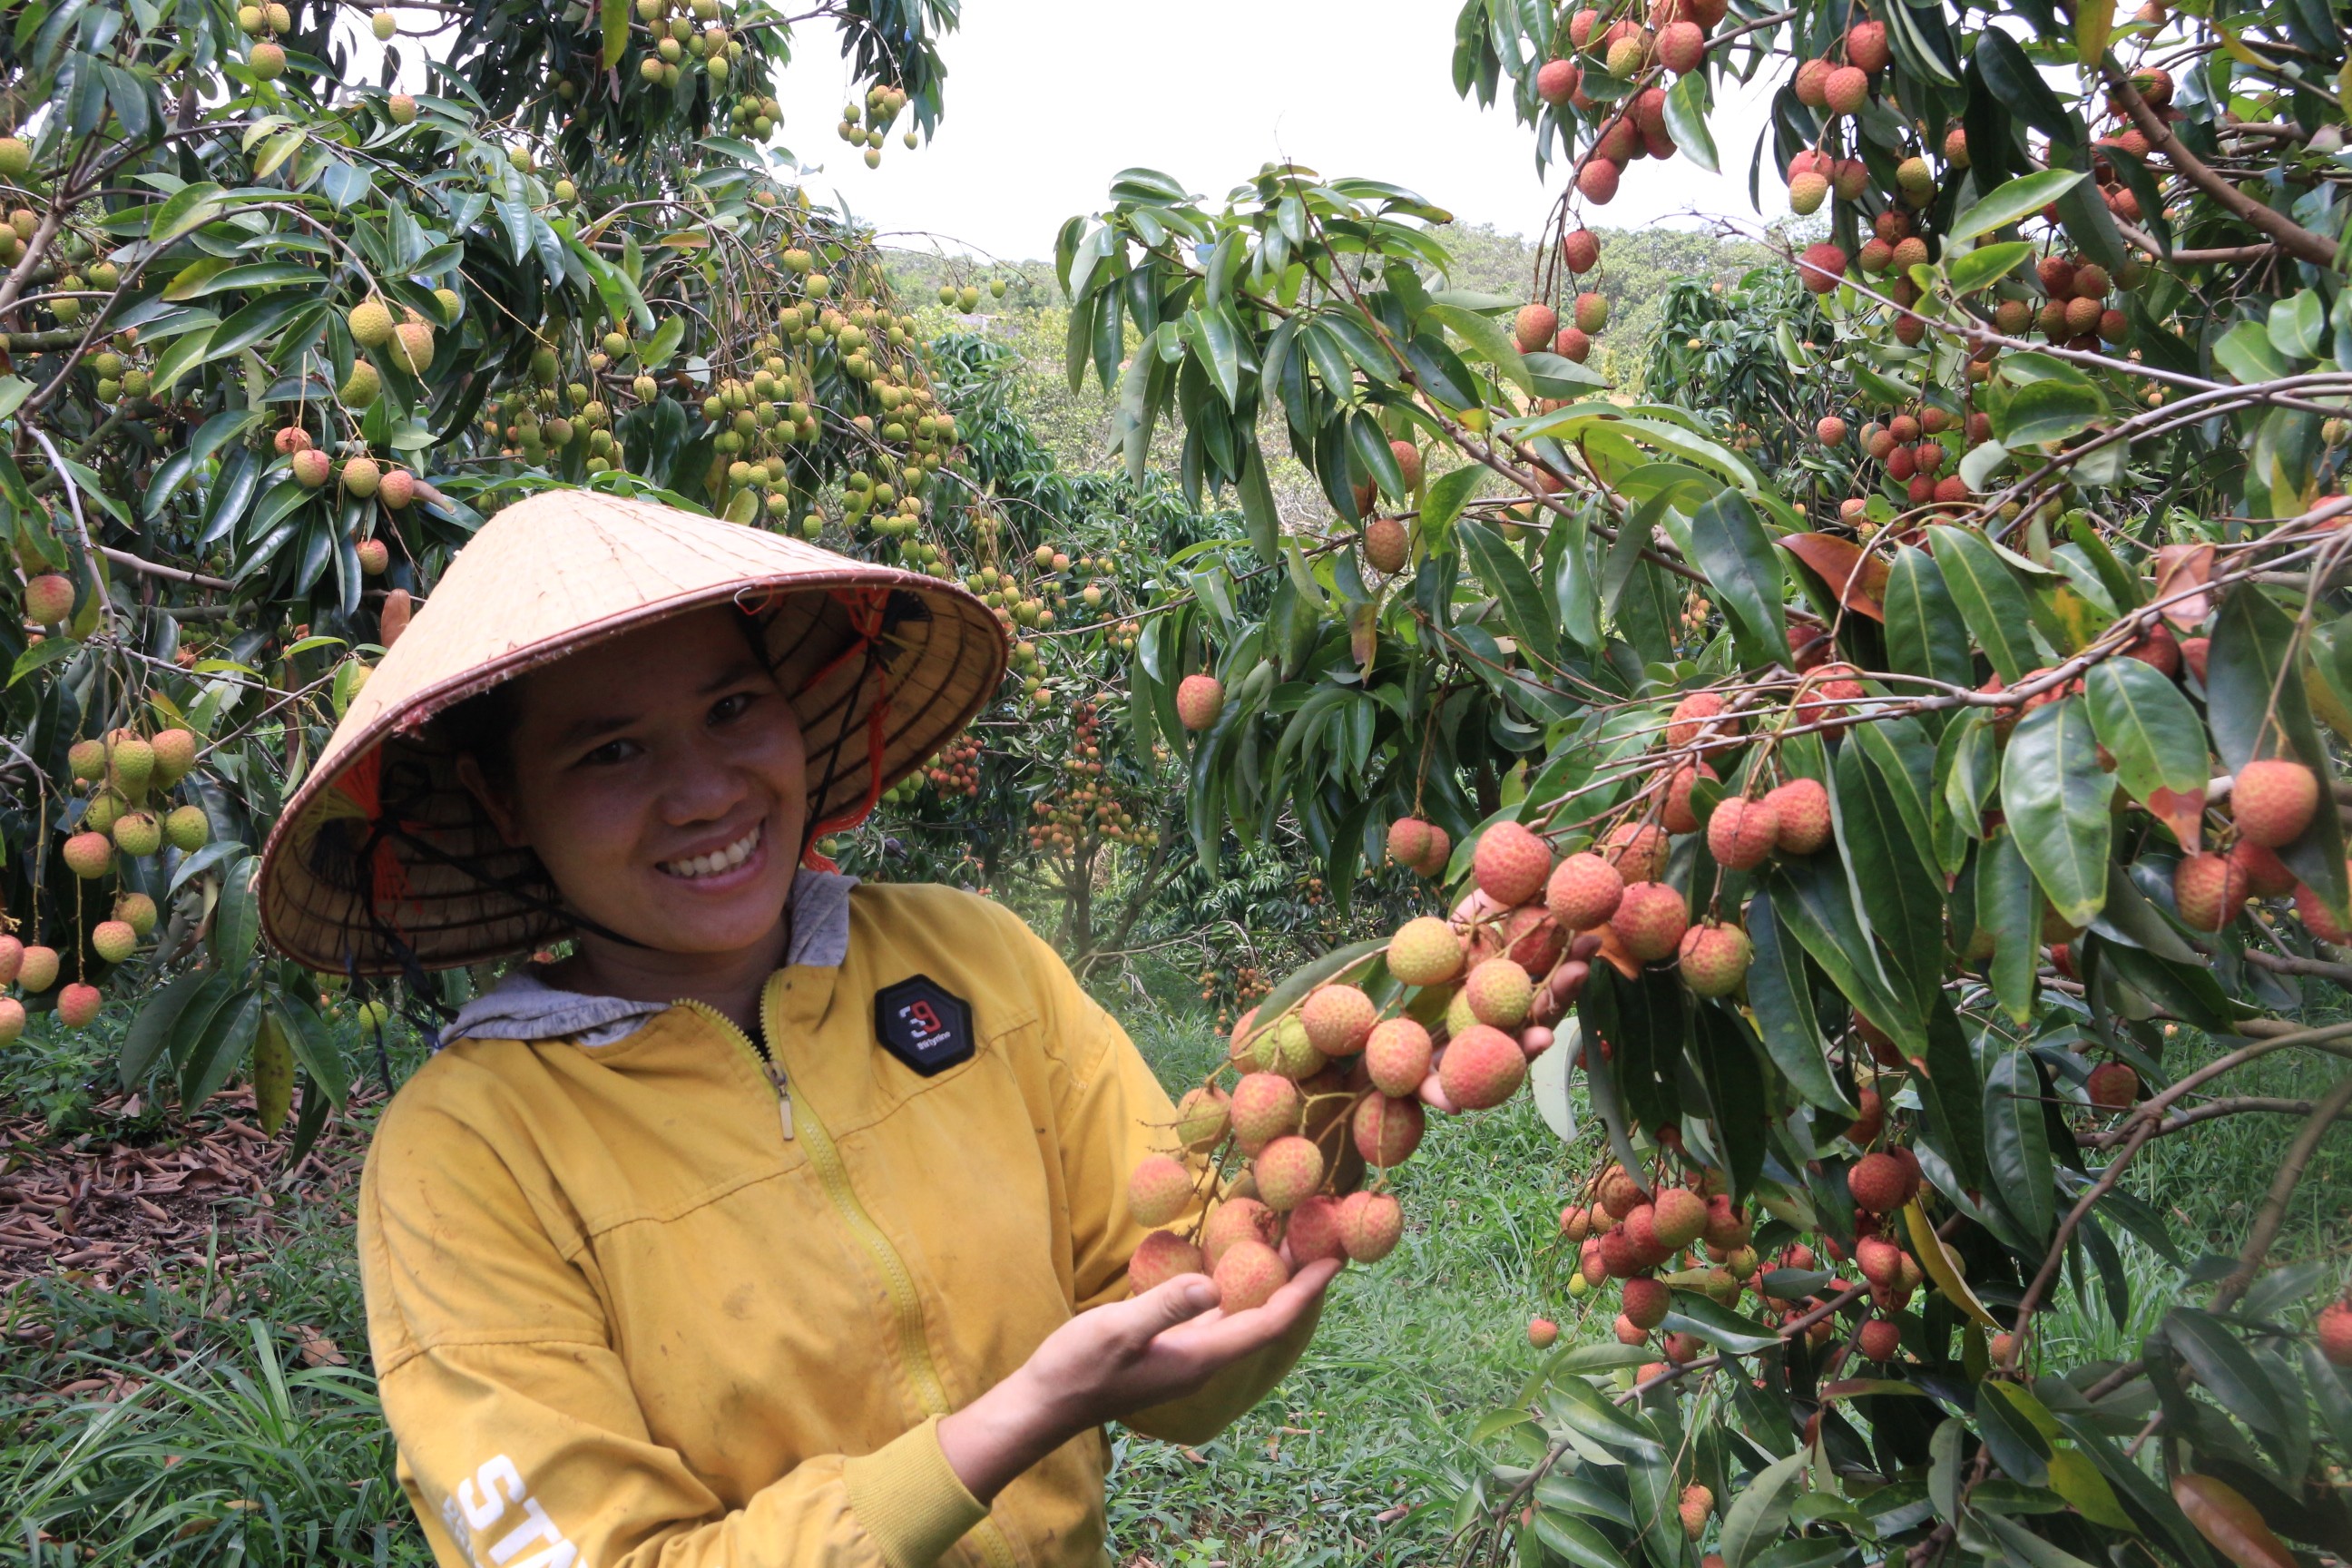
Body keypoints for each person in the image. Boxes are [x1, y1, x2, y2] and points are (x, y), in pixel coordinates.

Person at [255, 491, 1338, 1568]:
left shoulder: (972, 961)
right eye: (611, 754)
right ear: (504, 802)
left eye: (731, 709)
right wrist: (1009, 1423)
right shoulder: (467, 1152)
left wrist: (1338, 1110)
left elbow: (1177, 1314)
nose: (703, 793)